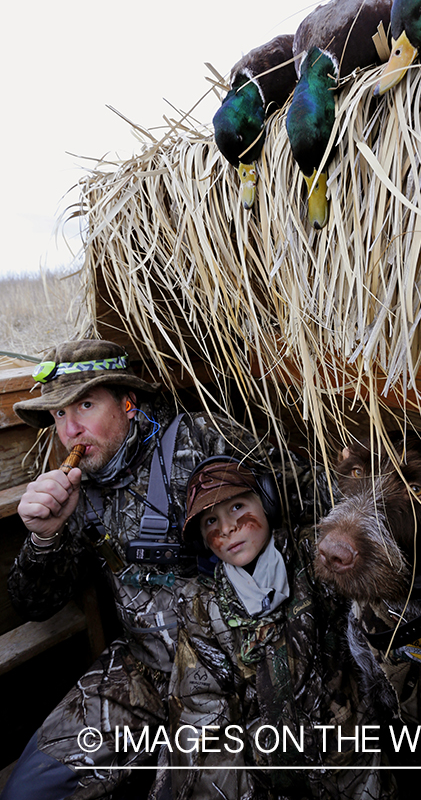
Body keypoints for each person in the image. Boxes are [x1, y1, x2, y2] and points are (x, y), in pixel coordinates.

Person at [2, 339, 320, 800]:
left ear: (129, 403)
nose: (69, 429)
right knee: (29, 791)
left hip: (238, 666)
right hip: (145, 667)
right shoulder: (72, 488)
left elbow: (304, 500)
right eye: (58, 416)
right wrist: (44, 535)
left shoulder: (200, 441)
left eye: (84, 405)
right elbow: (35, 604)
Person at [168, 457, 394, 800]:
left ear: (268, 504)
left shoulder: (314, 558)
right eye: (211, 521)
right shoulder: (203, 608)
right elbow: (201, 709)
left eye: (238, 507)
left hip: (351, 755)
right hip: (268, 775)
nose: (227, 528)